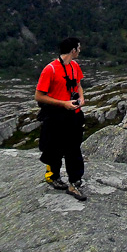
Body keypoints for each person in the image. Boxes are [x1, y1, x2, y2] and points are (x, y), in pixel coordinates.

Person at [35, 36, 87, 201]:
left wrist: (81, 98)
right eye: (78, 48)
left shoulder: (75, 66)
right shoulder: (50, 69)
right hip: (56, 116)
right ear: (73, 50)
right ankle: (53, 176)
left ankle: (74, 181)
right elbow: (39, 96)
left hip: (73, 115)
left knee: (74, 148)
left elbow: (78, 84)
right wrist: (63, 103)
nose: (80, 50)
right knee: (54, 149)